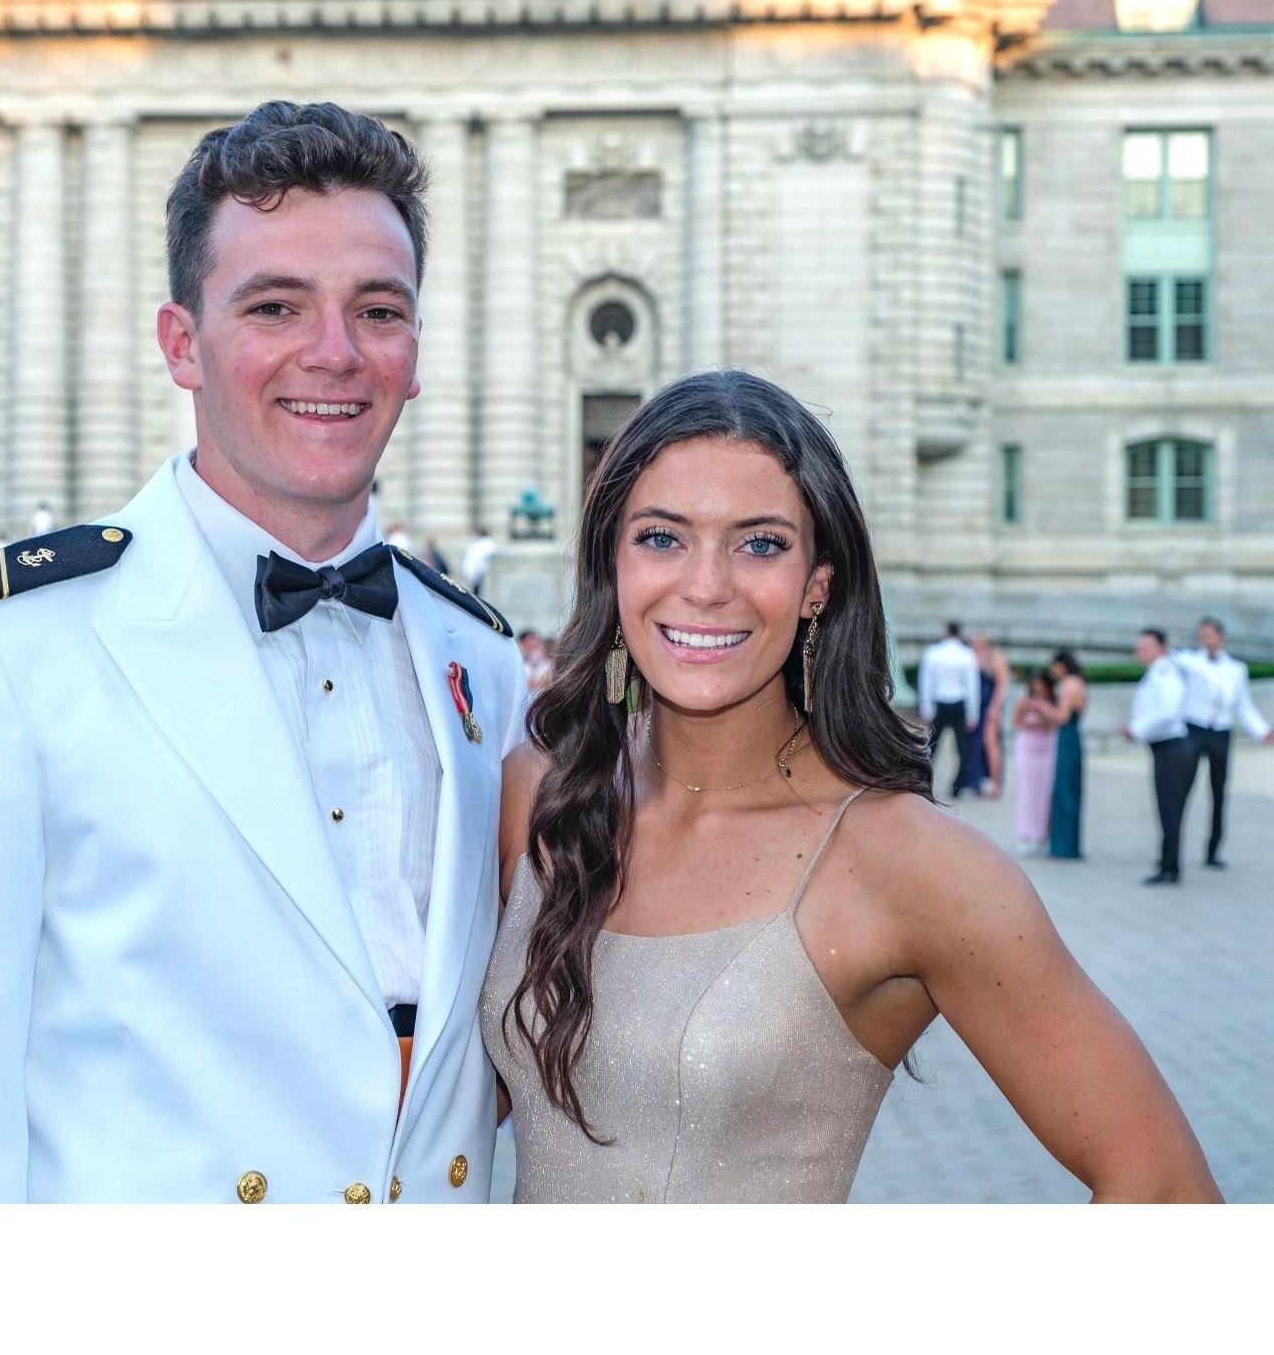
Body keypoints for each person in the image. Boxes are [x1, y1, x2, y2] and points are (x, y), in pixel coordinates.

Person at [0, 98, 528, 1203]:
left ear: (416, 350)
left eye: (378, 310)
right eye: (274, 305)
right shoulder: (5, 652)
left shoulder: (480, 665)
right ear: (180, 345)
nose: (334, 353)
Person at [481, 369, 1219, 1203]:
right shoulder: (536, 799)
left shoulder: (906, 862)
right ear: (612, 561)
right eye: (661, 537)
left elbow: (1165, 1190)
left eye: (759, 543)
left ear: (818, 587)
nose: (706, 585)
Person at [1174, 618, 1273, 869]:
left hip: (1220, 732)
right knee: (1181, 791)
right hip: (1194, 729)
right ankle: (1171, 849)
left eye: (1208, 635)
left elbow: (1243, 705)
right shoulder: (1189, 661)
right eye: (1201, 636)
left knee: (1218, 792)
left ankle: (1213, 851)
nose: (1204, 640)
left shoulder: (1235, 669)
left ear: (1220, 636)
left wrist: (1262, 731)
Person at [1120, 630, 1195, 886]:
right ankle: (1167, 861)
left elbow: (1168, 712)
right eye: (1139, 647)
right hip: (1163, 748)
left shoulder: (1165, 673)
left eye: (1146, 647)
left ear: (1161, 648)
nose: (1141, 651)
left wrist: (1136, 729)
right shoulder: (1157, 672)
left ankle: (1170, 868)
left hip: (1172, 749)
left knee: (1170, 809)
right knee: (1166, 809)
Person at [1036, 651, 1089, 859]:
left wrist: (1043, 708)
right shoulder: (1079, 683)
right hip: (1072, 737)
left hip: (1066, 736)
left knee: (1064, 790)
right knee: (1070, 789)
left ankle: (1063, 846)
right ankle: (1069, 844)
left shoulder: (1069, 684)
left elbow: (1062, 716)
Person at [917, 623, 980, 796]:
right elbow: (972, 687)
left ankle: (923, 782)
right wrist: (973, 715)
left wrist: (926, 710)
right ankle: (958, 785)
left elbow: (926, 683)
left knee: (931, 747)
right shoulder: (967, 654)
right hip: (959, 703)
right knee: (961, 749)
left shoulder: (933, 653)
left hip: (939, 703)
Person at [957, 629, 1009, 798]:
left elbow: (1002, 685)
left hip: (989, 705)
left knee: (990, 741)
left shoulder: (996, 657)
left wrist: (995, 707)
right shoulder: (969, 655)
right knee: (973, 743)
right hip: (973, 705)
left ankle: (994, 782)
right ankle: (975, 781)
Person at [1010, 670, 1058, 852]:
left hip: (1047, 745)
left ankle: (1043, 833)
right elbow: (1016, 722)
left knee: (1046, 791)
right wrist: (1030, 719)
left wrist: (1044, 714)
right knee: (1027, 791)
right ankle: (1026, 832)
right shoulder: (1024, 701)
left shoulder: (1052, 703)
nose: (1038, 689)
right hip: (1028, 746)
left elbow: (1056, 722)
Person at [461, 528, 498, 598]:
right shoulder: (475, 544)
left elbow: (478, 559)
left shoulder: (486, 544)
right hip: (474, 572)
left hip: (481, 571)